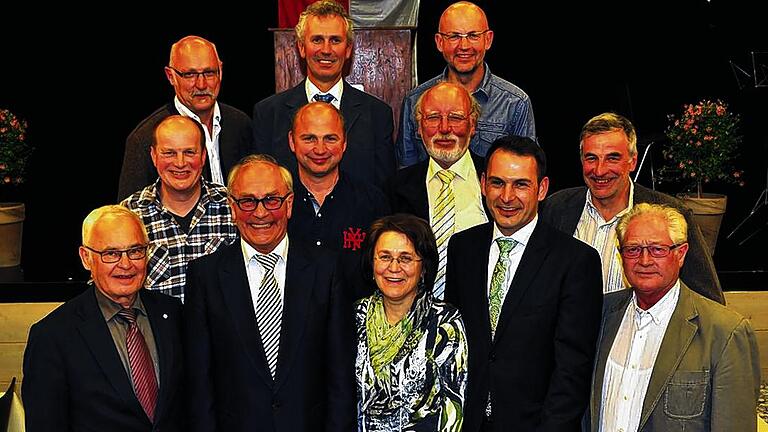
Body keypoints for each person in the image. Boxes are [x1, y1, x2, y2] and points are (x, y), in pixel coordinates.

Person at [184, 154, 356, 432]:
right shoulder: (205, 276)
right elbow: (199, 383)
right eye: (248, 201)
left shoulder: (327, 269)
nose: (260, 213)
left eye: (272, 200)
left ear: (289, 204)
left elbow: (340, 375)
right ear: (232, 207)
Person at [445, 136, 603, 431]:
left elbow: (572, 369)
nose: (506, 197)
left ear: (542, 189)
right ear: (482, 184)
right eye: (497, 183)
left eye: (520, 184)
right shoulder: (462, 248)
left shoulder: (576, 261)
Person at [585, 203, 760, 432]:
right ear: (621, 256)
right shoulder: (599, 314)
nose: (644, 261)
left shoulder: (725, 333)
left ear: (681, 254)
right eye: (633, 249)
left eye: (657, 249)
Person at [23, 205, 184, 431]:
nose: (126, 264)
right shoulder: (53, 336)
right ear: (86, 258)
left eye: (135, 250)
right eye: (111, 254)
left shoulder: (174, 314)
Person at [539, 112, 724, 304]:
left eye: (612, 158)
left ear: (633, 161)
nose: (600, 170)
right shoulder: (557, 208)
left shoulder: (668, 213)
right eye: (591, 158)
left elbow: (709, 301)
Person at [252, 0, 396, 187]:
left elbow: (384, 193)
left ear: (348, 49)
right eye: (317, 40)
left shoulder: (378, 114)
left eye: (335, 40)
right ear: (302, 47)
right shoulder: (268, 113)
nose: (326, 50)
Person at [356, 213, 467, 431]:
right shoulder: (354, 317)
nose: (394, 268)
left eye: (406, 258)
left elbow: (453, 409)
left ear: (423, 267)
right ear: (371, 262)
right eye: (385, 257)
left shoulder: (445, 323)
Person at [396, 1, 535, 167]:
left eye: (473, 36)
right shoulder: (415, 100)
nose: (464, 46)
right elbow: (405, 173)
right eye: (454, 36)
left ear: (488, 40)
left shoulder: (515, 103)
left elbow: (526, 169)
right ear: (440, 42)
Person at [119, 35, 253, 200]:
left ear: (221, 71)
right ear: (170, 76)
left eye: (209, 73)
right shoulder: (145, 137)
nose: (201, 84)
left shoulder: (241, 124)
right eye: (190, 75)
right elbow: (129, 219)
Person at [387, 82, 487, 299]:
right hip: (414, 316)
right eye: (433, 118)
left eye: (455, 118)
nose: (444, 128)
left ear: (473, 124)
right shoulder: (396, 188)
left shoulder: (495, 182)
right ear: (419, 127)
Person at [122, 115, 237, 302]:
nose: (180, 163)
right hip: (157, 331)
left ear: (203, 156)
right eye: (169, 153)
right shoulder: (129, 215)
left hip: (222, 330)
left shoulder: (232, 206)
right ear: (153, 156)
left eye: (189, 152)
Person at [286, 102, 389, 301]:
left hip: (355, 326)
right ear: (292, 141)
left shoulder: (373, 202)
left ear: (344, 143)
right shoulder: (275, 202)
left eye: (330, 139)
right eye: (309, 138)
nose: (320, 149)